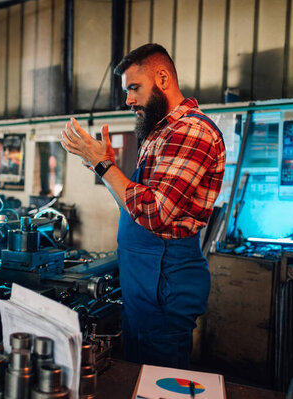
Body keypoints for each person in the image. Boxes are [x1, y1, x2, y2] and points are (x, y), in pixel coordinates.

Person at [60, 43, 226, 369]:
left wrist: (105, 166)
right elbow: (132, 205)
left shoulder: (189, 131)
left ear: (162, 78)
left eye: (134, 87)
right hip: (145, 286)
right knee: (139, 376)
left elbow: (153, 212)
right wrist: (101, 166)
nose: (128, 100)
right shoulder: (160, 133)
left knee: (157, 382)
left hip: (164, 283)